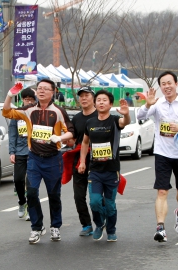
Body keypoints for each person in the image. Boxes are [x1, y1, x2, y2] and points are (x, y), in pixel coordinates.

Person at [3, 79, 74, 244]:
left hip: (53, 159)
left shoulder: (58, 111)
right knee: (32, 193)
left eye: (45, 89)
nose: (41, 91)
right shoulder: (29, 109)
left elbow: (71, 132)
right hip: (34, 158)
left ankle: (55, 226)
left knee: (54, 195)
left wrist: (60, 137)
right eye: (39, 88)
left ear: (53, 92)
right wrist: (9, 96)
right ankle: (37, 227)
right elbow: (7, 112)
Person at [137, 71, 178, 243]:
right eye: (163, 84)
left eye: (169, 83)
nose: (166, 86)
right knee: (162, 190)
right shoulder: (157, 104)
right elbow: (140, 116)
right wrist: (147, 105)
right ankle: (160, 227)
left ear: (176, 84)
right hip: (162, 153)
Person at [78, 90, 130, 242]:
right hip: (94, 170)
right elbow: (85, 142)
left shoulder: (115, 120)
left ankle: (112, 229)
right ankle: (99, 224)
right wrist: (82, 161)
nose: (101, 102)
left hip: (111, 170)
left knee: (109, 204)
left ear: (110, 104)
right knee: (94, 201)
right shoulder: (90, 122)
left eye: (104, 100)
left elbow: (125, 122)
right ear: (95, 103)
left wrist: (126, 114)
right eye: (98, 100)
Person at [69, 86, 98, 236]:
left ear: (93, 98)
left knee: (96, 198)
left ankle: (100, 222)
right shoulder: (77, 118)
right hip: (80, 160)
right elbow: (73, 140)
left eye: (87, 95)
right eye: (81, 96)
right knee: (79, 196)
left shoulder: (101, 115)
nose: (84, 98)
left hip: (99, 161)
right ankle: (86, 225)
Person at [8, 88, 36, 221]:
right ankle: (21, 202)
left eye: (31, 99)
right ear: (22, 99)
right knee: (18, 179)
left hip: (34, 152)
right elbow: (12, 134)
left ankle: (31, 208)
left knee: (31, 183)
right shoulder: (17, 113)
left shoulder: (37, 113)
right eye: (26, 99)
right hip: (19, 151)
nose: (28, 102)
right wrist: (12, 152)